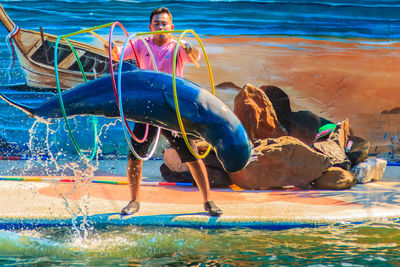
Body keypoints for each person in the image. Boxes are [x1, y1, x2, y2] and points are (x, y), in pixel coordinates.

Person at [114, 7, 223, 217]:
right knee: (135, 155)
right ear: (150, 27)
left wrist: (190, 47)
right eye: (156, 24)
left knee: (191, 156)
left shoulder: (178, 47)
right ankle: (134, 201)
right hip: (147, 108)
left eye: (164, 24)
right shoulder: (141, 44)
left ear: (171, 28)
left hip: (172, 111)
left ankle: (208, 202)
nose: (160, 27)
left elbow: (195, 56)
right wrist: (113, 48)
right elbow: (119, 54)